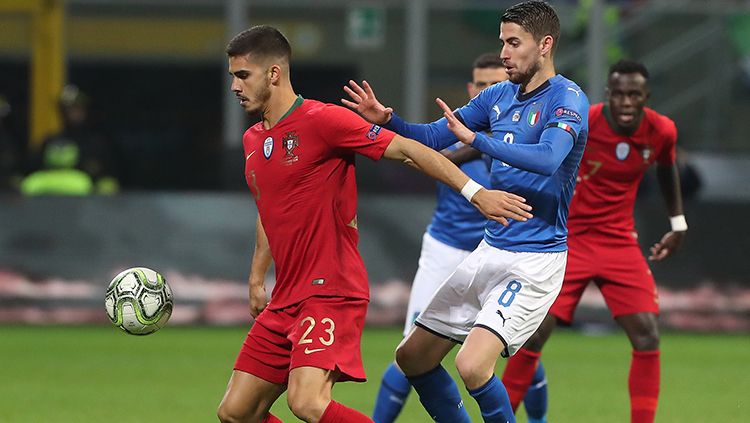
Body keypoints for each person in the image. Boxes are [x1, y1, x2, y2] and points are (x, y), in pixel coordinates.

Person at [216, 25, 533, 423]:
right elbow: (270, 210)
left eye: (242, 75)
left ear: (274, 73)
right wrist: (256, 276)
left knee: (308, 402)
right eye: (232, 75)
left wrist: (475, 192)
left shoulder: (323, 120)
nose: (234, 85)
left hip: (329, 290)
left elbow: (409, 149)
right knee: (236, 412)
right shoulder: (252, 141)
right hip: (286, 296)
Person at [343, 2, 588, 422]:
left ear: (545, 45)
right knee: (412, 357)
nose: (505, 53)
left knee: (473, 365)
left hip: (535, 259)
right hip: (490, 249)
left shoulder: (568, 98)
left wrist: (479, 139)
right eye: (502, 43)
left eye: (514, 43)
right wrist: (389, 121)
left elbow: (549, 158)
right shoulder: (498, 95)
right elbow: (435, 137)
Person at [501, 60, 686, 423]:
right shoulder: (584, 120)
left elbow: (667, 168)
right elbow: (541, 156)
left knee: (647, 335)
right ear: (608, 95)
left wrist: (678, 223)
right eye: (619, 94)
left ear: (646, 97)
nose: (626, 102)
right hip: (568, 239)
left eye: (634, 95)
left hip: (619, 242)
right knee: (534, 335)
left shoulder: (662, 131)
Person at [372, 52, 547, 423]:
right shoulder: (453, 138)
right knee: (410, 354)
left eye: (497, 83)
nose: (490, 90)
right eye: (482, 85)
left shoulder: (522, 139)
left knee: (525, 351)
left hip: (502, 254)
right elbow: (421, 149)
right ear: (473, 91)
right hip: (447, 251)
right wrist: (390, 124)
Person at [21, 85, 120, 195]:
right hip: (49, 203)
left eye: (77, 108)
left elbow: (110, 175)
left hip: (88, 205)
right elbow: (32, 171)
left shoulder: (97, 143)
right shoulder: (51, 141)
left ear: (85, 110)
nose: (73, 113)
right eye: (68, 109)